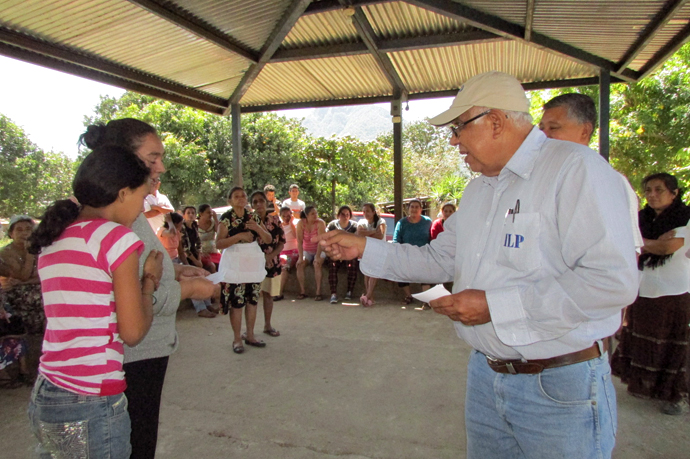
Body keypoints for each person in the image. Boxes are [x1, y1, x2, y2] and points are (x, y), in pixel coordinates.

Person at [318, 71, 638, 458]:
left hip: (557, 386)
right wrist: (364, 249)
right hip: (486, 376)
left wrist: (494, 306)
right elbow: (438, 258)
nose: (454, 140)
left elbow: (612, 282)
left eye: (458, 127)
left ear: (497, 121)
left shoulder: (575, 170)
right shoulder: (478, 190)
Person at [79, 118, 217, 459]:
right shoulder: (116, 222)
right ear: (123, 160)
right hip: (131, 355)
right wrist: (187, 290)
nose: (161, 167)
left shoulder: (124, 214)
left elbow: (141, 270)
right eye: (152, 158)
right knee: (133, 441)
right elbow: (128, 304)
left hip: (145, 352)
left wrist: (175, 271)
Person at [26, 145, 164, 458]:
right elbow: (132, 332)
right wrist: (149, 281)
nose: (142, 209)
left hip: (47, 391)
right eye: (142, 198)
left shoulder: (54, 237)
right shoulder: (117, 239)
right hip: (91, 398)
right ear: (123, 193)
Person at [612, 173, 690, 415]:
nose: (653, 195)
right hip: (644, 289)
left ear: (674, 193)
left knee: (673, 346)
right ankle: (648, 388)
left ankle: (674, 396)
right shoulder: (641, 219)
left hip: (674, 292)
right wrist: (648, 241)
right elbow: (623, 241)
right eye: (648, 190)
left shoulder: (685, 218)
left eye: (659, 190)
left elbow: (667, 247)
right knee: (645, 342)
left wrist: (638, 241)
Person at [539, 93, 643, 251]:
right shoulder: (539, 178)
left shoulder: (609, 182)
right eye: (541, 129)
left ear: (585, 131)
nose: (544, 136)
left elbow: (626, 256)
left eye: (553, 128)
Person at [217, 187, 273, 354]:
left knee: (252, 300)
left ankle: (250, 335)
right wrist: (238, 237)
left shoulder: (253, 216)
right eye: (236, 196)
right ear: (230, 200)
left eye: (243, 196)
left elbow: (268, 239)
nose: (241, 198)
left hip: (252, 264)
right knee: (237, 302)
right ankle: (236, 338)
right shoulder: (226, 218)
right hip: (234, 264)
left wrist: (257, 228)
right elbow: (218, 243)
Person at [0, 215, 45, 335]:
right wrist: (29, 253)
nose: (24, 233)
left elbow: (44, 275)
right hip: (15, 293)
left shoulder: (42, 250)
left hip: (35, 287)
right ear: (11, 233)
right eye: (19, 230)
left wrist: (26, 282)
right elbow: (22, 276)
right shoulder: (6, 253)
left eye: (28, 229)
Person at [250, 191, 285, 337]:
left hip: (272, 262)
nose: (259, 204)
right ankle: (249, 330)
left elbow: (282, 242)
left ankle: (267, 325)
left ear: (266, 203)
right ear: (252, 205)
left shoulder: (275, 220)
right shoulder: (249, 222)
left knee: (268, 295)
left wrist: (271, 255)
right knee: (251, 297)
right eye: (255, 202)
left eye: (261, 201)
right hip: (252, 265)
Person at [393, 199, 432, 308]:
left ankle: (426, 300)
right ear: (408, 209)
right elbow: (396, 240)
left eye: (417, 207)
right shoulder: (402, 223)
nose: (414, 209)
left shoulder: (427, 222)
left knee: (426, 275)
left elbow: (432, 238)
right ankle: (408, 296)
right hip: (406, 255)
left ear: (421, 209)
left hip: (423, 254)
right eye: (412, 207)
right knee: (400, 272)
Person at [326, 206, 358, 304]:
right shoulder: (332, 225)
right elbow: (328, 238)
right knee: (332, 265)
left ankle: (349, 291)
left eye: (347, 214)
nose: (345, 216)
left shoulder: (354, 226)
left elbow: (356, 240)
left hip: (349, 253)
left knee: (352, 264)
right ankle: (333, 294)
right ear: (338, 215)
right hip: (336, 252)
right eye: (343, 214)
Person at [356, 203, 387, 307]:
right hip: (366, 250)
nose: (365, 213)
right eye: (364, 211)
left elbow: (380, 235)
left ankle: (367, 295)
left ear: (373, 212)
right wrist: (373, 231)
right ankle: (370, 297)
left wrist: (367, 233)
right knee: (367, 273)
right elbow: (359, 233)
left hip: (379, 250)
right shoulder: (361, 221)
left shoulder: (381, 221)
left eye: (368, 211)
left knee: (373, 272)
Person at [295, 206, 326, 300]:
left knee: (317, 264)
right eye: (312, 214)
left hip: (320, 249)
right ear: (307, 215)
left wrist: (317, 256)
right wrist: (301, 257)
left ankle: (318, 292)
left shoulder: (320, 223)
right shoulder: (301, 223)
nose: (315, 215)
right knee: (300, 265)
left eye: (316, 213)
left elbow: (321, 240)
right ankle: (302, 291)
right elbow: (299, 241)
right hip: (307, 250)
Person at [277, 206, 298, 301]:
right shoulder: (278, 226)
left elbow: (296, 236)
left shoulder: (295, 224)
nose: (286, 218)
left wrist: (291, 224)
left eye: (288, 216)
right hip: (281, 252)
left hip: (293, 252)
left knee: (284, 267)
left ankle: (279, 293)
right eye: (284, 216)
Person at [197, 204, 221, 273]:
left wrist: (216, 219)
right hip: (202, 254)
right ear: (201, 214)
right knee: (212, 266)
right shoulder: (195, 225)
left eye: (211, 212)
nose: (210, 214)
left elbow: (218, 232)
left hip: (214, 251)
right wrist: (201, 253)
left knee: (223, 264)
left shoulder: (213, 223)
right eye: (208, 212)